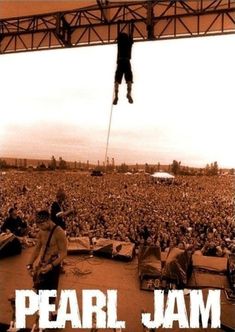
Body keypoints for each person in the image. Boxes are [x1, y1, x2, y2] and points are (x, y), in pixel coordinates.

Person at [26, 210, 67, 292]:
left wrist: (51, 266)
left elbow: (63, 253)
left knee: (49, 297)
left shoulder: (59, 232)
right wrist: (29, 265)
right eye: (38, 225)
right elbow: (36, 249)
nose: (40, 227)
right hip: (42, 264)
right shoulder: (42, 232)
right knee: (39, 292)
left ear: (48, 220)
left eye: (41, 224)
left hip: (53, 265)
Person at [113, 32, 134, 105]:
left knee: (117, 81)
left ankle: (116, 96)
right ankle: (129, 93)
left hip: (120, 61)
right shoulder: (129, 42)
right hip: (127, 61)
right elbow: (131, 36)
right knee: (129, 80)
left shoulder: (120, 42)